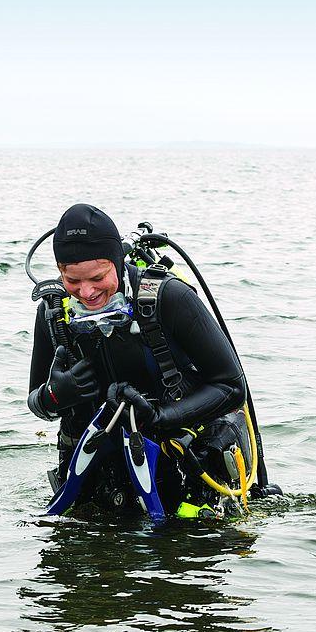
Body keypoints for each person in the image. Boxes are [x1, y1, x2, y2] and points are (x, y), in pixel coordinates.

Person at [27, 203, 270, 518]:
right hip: (99, 481)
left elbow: (232, 386)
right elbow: (37, 401)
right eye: (72, 280)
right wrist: (57, 394)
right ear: (60, 271)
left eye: (98, 277)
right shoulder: (54, 313)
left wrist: (159, 416)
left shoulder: (170, 299)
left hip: (183, 474)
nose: (86, 292)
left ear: (116, 262)